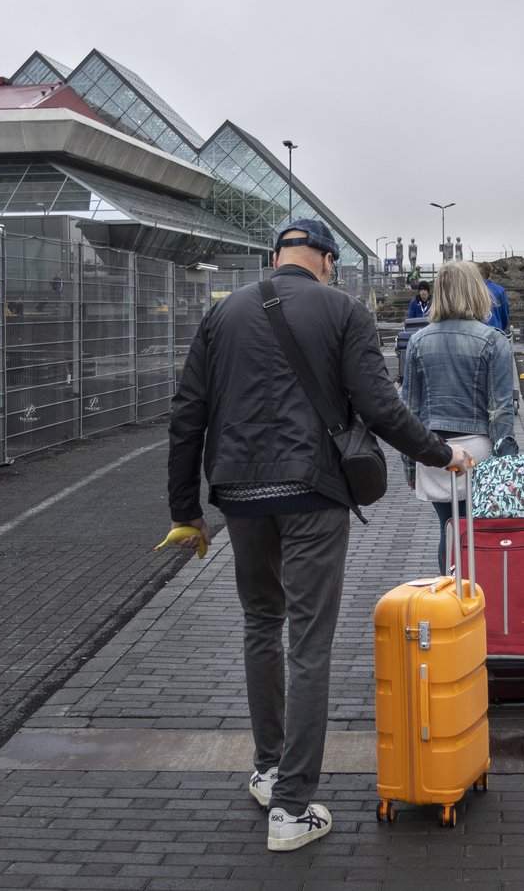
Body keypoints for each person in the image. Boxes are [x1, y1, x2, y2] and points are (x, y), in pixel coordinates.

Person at [165, 218, 471, 852]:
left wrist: (185, 511)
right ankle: (292, 807)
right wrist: (440, 454)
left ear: (276, 255)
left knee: (259, 625)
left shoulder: (223, 315)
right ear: (328, 261)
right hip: (312, 493)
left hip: (239, 494)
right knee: (309, 640)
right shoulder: (343, 311)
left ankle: (269, 768)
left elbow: (187, 411)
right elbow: (381, 407)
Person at [401, 259, 515, 573]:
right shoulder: (493, 340)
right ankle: (480, 600)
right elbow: (502, 407)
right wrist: (506, 463)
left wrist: (410, 466)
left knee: (448, 528)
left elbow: (408, 410)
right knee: (477, 530)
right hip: (478, 448)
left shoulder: (418, 341)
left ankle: (451, 599)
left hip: (435, 449)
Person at [478, 261, 509, 332]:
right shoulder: (499, 290)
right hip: (495, 329)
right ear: (489, 274)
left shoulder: (472, 290)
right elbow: (504, 315)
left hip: (477, 331)